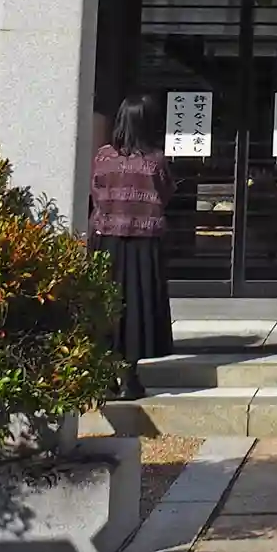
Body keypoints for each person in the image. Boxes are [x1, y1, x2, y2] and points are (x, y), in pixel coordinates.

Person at [89, 96, 173, 398]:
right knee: (136, 306)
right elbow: (166, 193)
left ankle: (106, 375)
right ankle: (129, 377)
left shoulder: (103, 157)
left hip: (106, 240)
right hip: (144, 242)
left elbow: (95, 192)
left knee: (105, 306)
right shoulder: (155, 160)